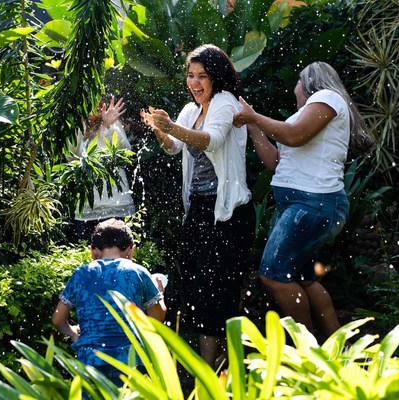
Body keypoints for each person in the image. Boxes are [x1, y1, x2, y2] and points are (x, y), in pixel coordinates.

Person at [232, 61, 372, 338]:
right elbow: (274, 162)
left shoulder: (328, 97)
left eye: (296, 83)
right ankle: (335, 350)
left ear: (308, 83)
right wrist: (252, 127)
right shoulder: (307, 116)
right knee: (302, 279)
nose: (293, 90)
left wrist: (255, 116)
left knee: (273, 276)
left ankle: (308, 353)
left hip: (312, 204)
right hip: (305, 206)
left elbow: (293, 137)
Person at [139, 44, 254, 368]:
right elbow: (176, 147)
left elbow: (211, 140)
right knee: (192, 282)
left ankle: (218, 367)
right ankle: (209, 363)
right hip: (201, 211)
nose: (194, 82)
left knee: (218, 289)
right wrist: (162, 131)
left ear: (216, 77)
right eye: (190, 75)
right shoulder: (191, 111)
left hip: (229, 213)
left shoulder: (225, 103)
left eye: (202, 76)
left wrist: (171, 127)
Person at [52, 218, 166, 385]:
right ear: (130, 250)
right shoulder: (138, 272)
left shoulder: (81, 274)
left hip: (91, 362)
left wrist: (73, 334)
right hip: (131, 362)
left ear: (93, 251)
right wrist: (160, 293)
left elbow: (57, 320)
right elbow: (157, 318)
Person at [71, 96, 136, 242]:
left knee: (120, 250)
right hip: (87, 203)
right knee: (87, 249)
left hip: (115, 201)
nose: (94, 111)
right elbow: (73, 158)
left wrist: (107, 126)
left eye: (97, 106)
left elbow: (126, 152)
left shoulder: (113, 123)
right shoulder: (77, 126)